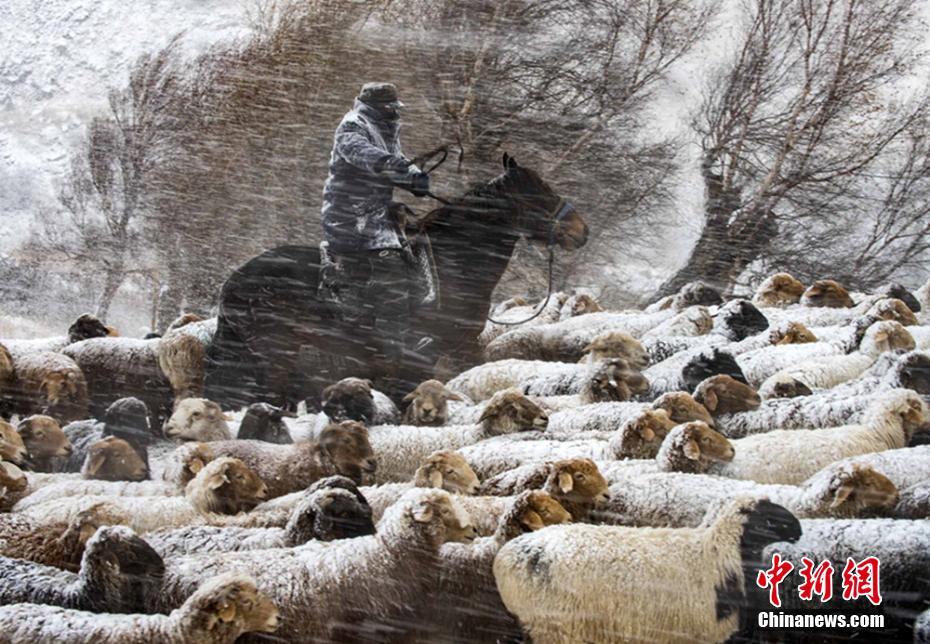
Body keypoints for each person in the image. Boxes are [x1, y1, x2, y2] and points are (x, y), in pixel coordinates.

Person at [319, 82, 433, 389]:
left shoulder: (385, 128)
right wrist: (392, 165)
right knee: (392, 274)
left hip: (378, 215)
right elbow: (363, 154)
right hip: (350, 216)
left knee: (419, 254)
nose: (396, 112)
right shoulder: (352, 126)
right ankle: (388, 351)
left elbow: (397, 161)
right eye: (392, 107)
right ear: (380, 107)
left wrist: (414, 180)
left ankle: (413, 328)